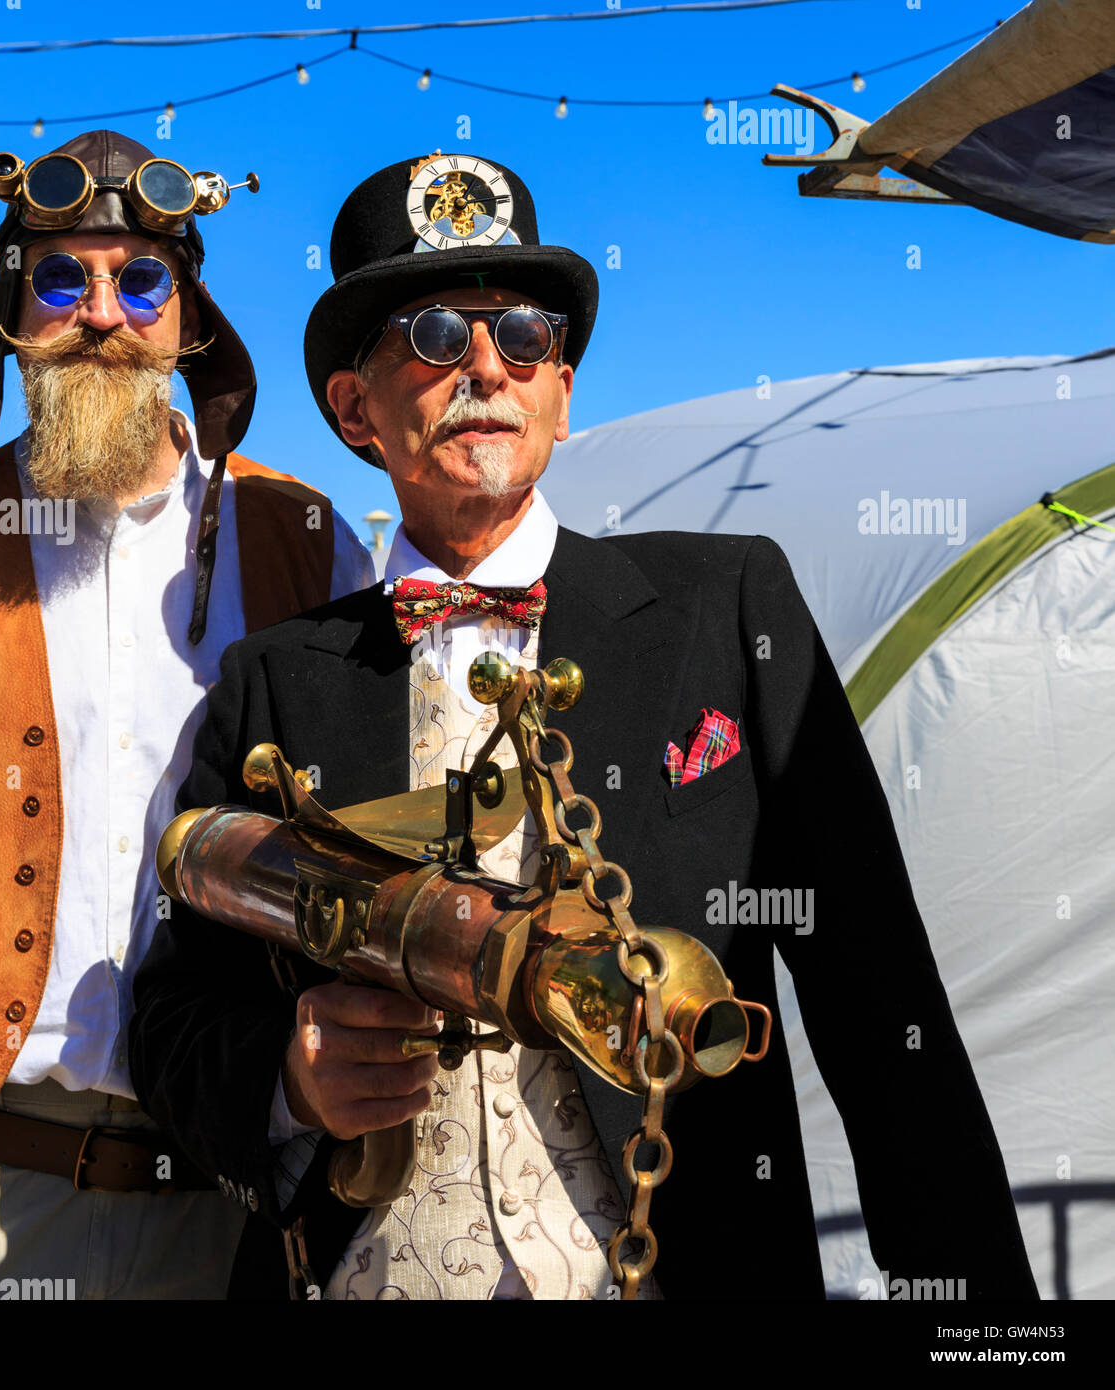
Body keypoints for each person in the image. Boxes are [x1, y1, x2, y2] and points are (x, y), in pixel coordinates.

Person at [128, 153, 1039, 1301]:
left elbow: (876, 989)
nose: (486, 369)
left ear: (562, 387)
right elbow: (169, 1018)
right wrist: (288, 1077)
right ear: (356, 407)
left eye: (522, 331)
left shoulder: (729, 605)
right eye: (431, 335)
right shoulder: (273, 680)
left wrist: (982, 1312)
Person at [0, 129, 373, 1300]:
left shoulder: (312, 547)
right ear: (13, 310)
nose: (102, 312)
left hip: (231, 1188)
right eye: (61, 278)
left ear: (189, 316)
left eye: (141, 280)